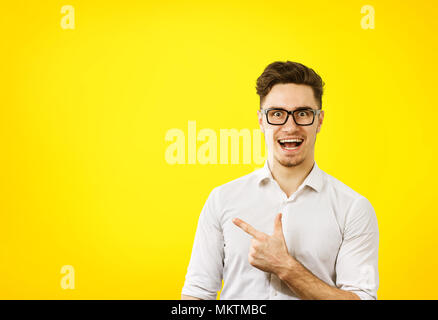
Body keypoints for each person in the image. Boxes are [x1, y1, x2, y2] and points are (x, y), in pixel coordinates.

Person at [181, 61, 379, 300]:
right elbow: (197, 294)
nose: (290, 126)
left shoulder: (353, 208)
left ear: (320, 120)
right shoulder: (222, 199)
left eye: (303, 113)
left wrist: (285, 267)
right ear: (261, 120)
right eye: (277, 114)